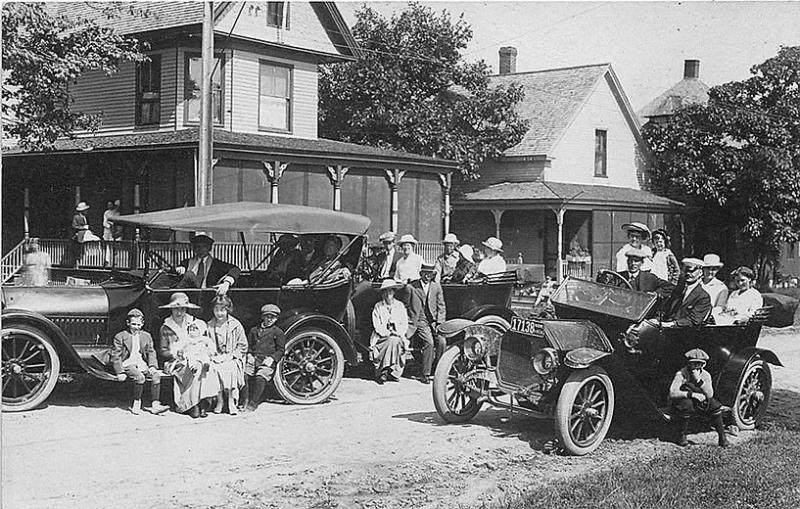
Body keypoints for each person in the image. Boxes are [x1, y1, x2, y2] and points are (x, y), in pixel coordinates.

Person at [158, 292, 218, 418]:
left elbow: (204, 341)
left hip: (196, 357)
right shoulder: (166, 327)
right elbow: (163, 351)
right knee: (193, 370)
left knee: (204, 367)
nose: (179, 313)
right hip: (176, 362)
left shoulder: (194, 324)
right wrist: (176, 353)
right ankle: (192, 405)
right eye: (176, 309)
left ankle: (201, 403)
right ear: (171, 309)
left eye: (182, 309)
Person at [109, 308, 170, 415]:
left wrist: (152, 366)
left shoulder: (146, 336)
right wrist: (120, 372)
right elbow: (116, 355)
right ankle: (136, 402)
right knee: (140, 377)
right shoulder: (121, 336)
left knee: (156, 376)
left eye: (138, 324)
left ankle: (155, 405)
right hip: (127, 363)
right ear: (128, 323)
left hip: (141, 363)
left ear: (142, 324)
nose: (136, 327)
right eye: (133, 324)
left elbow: (151, 352)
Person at [669, 348, 729, 447]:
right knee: (686, 405)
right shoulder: (682, 373)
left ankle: (722, 437)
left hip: (699, 402)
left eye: (700, 363)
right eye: (694, 363)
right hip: (683, 401)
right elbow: (672, 392)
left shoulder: (706, 375)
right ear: (689, 363)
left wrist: (699, 381)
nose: (697, 366)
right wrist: (691, 395)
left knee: (714, 405)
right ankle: (681, 435)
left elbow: (710, 394)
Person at [407, 263, 447, 384]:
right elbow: (406, 305)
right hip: (420, 320)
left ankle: (438, 370)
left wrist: (440, 322)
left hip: (434, 321)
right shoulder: (412, 287)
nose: (427, 276)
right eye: (424, 273)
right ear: (420, 274)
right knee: (429, 342)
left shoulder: (436, 287)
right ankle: (426, 373)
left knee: (442, 341)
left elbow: (441, 306)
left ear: (433, 275)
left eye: (429, 274)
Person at [208, 295, 247, 415]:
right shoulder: (210, 326)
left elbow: (243, 345)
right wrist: (213, 355)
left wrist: (231, 356)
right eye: (217, 310)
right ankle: (219, 400)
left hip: (232, 356)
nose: (219, 313)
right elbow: (206, 344)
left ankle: (231, 400)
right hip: (216, 356)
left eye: (223, 310)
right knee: (213, 368)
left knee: (230, 367)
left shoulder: (235, 325)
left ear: (228, 310)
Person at [242, 304, 286, 411]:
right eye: (267, 316)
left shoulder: (278, 333)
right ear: (263, 317)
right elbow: (249, 345)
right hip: (254, 359)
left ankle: (254, 402)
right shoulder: (254, 330)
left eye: (273, 317)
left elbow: (281, 350)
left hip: (267, 361)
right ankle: (244, 401)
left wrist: (272, 358)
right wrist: (249, 354)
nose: (270, 319)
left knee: (260, 378)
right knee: (244, 376)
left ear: (276, 319)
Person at [370, 279, 409, 384]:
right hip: (381, 338)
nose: (388, 294)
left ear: (394, 292)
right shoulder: (378, 306)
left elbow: (404, 324)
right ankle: (390, 370)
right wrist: (387, 333)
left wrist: (397, 332)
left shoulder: (400, 306)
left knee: (394, 340)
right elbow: (376, 325)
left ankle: (385, 370)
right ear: (383, 293)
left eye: (390, 291)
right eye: (386, 291)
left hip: (397, 336)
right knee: (391, 340)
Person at [176, 232, 240, 296]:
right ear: (194, 248)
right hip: (188, 294)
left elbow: (235, 269)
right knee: (189, 275)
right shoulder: (186, 263)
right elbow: (172, 271)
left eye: (204, 247)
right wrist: (179, 268)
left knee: (189, 274)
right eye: (198, 246)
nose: (200, 249)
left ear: (209, 248)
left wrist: (227, 283)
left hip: (208, 295)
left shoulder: (216, 264)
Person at [662, 258, 712, 327]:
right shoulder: (677, 290)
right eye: (686, 271)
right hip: (667, 328)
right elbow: (665, 310)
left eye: (692, 271)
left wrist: (673, 324)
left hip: (686, 332)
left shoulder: (703, 296)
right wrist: (657, 319)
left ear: (700, 273)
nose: (688, 274)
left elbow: (694, 320)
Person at [70, 201, 100, 268]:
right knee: (78, 251)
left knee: (95, 241)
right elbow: (74, 226)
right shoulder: (76, 217)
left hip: (87, 233)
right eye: (85, 210)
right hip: (80, 235)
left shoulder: (85, 217)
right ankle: (77, 264)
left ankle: (88, 262)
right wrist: (83, 227)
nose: (87, 211)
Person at [102, 199, 122, 267]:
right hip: (108, 231)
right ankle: (107, 261)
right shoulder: (106, 212)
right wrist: (109, 225)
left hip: (115, 231)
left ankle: (115, 262)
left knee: (115, 246)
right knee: (108, 246)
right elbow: (105, 222)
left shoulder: (117, 213)